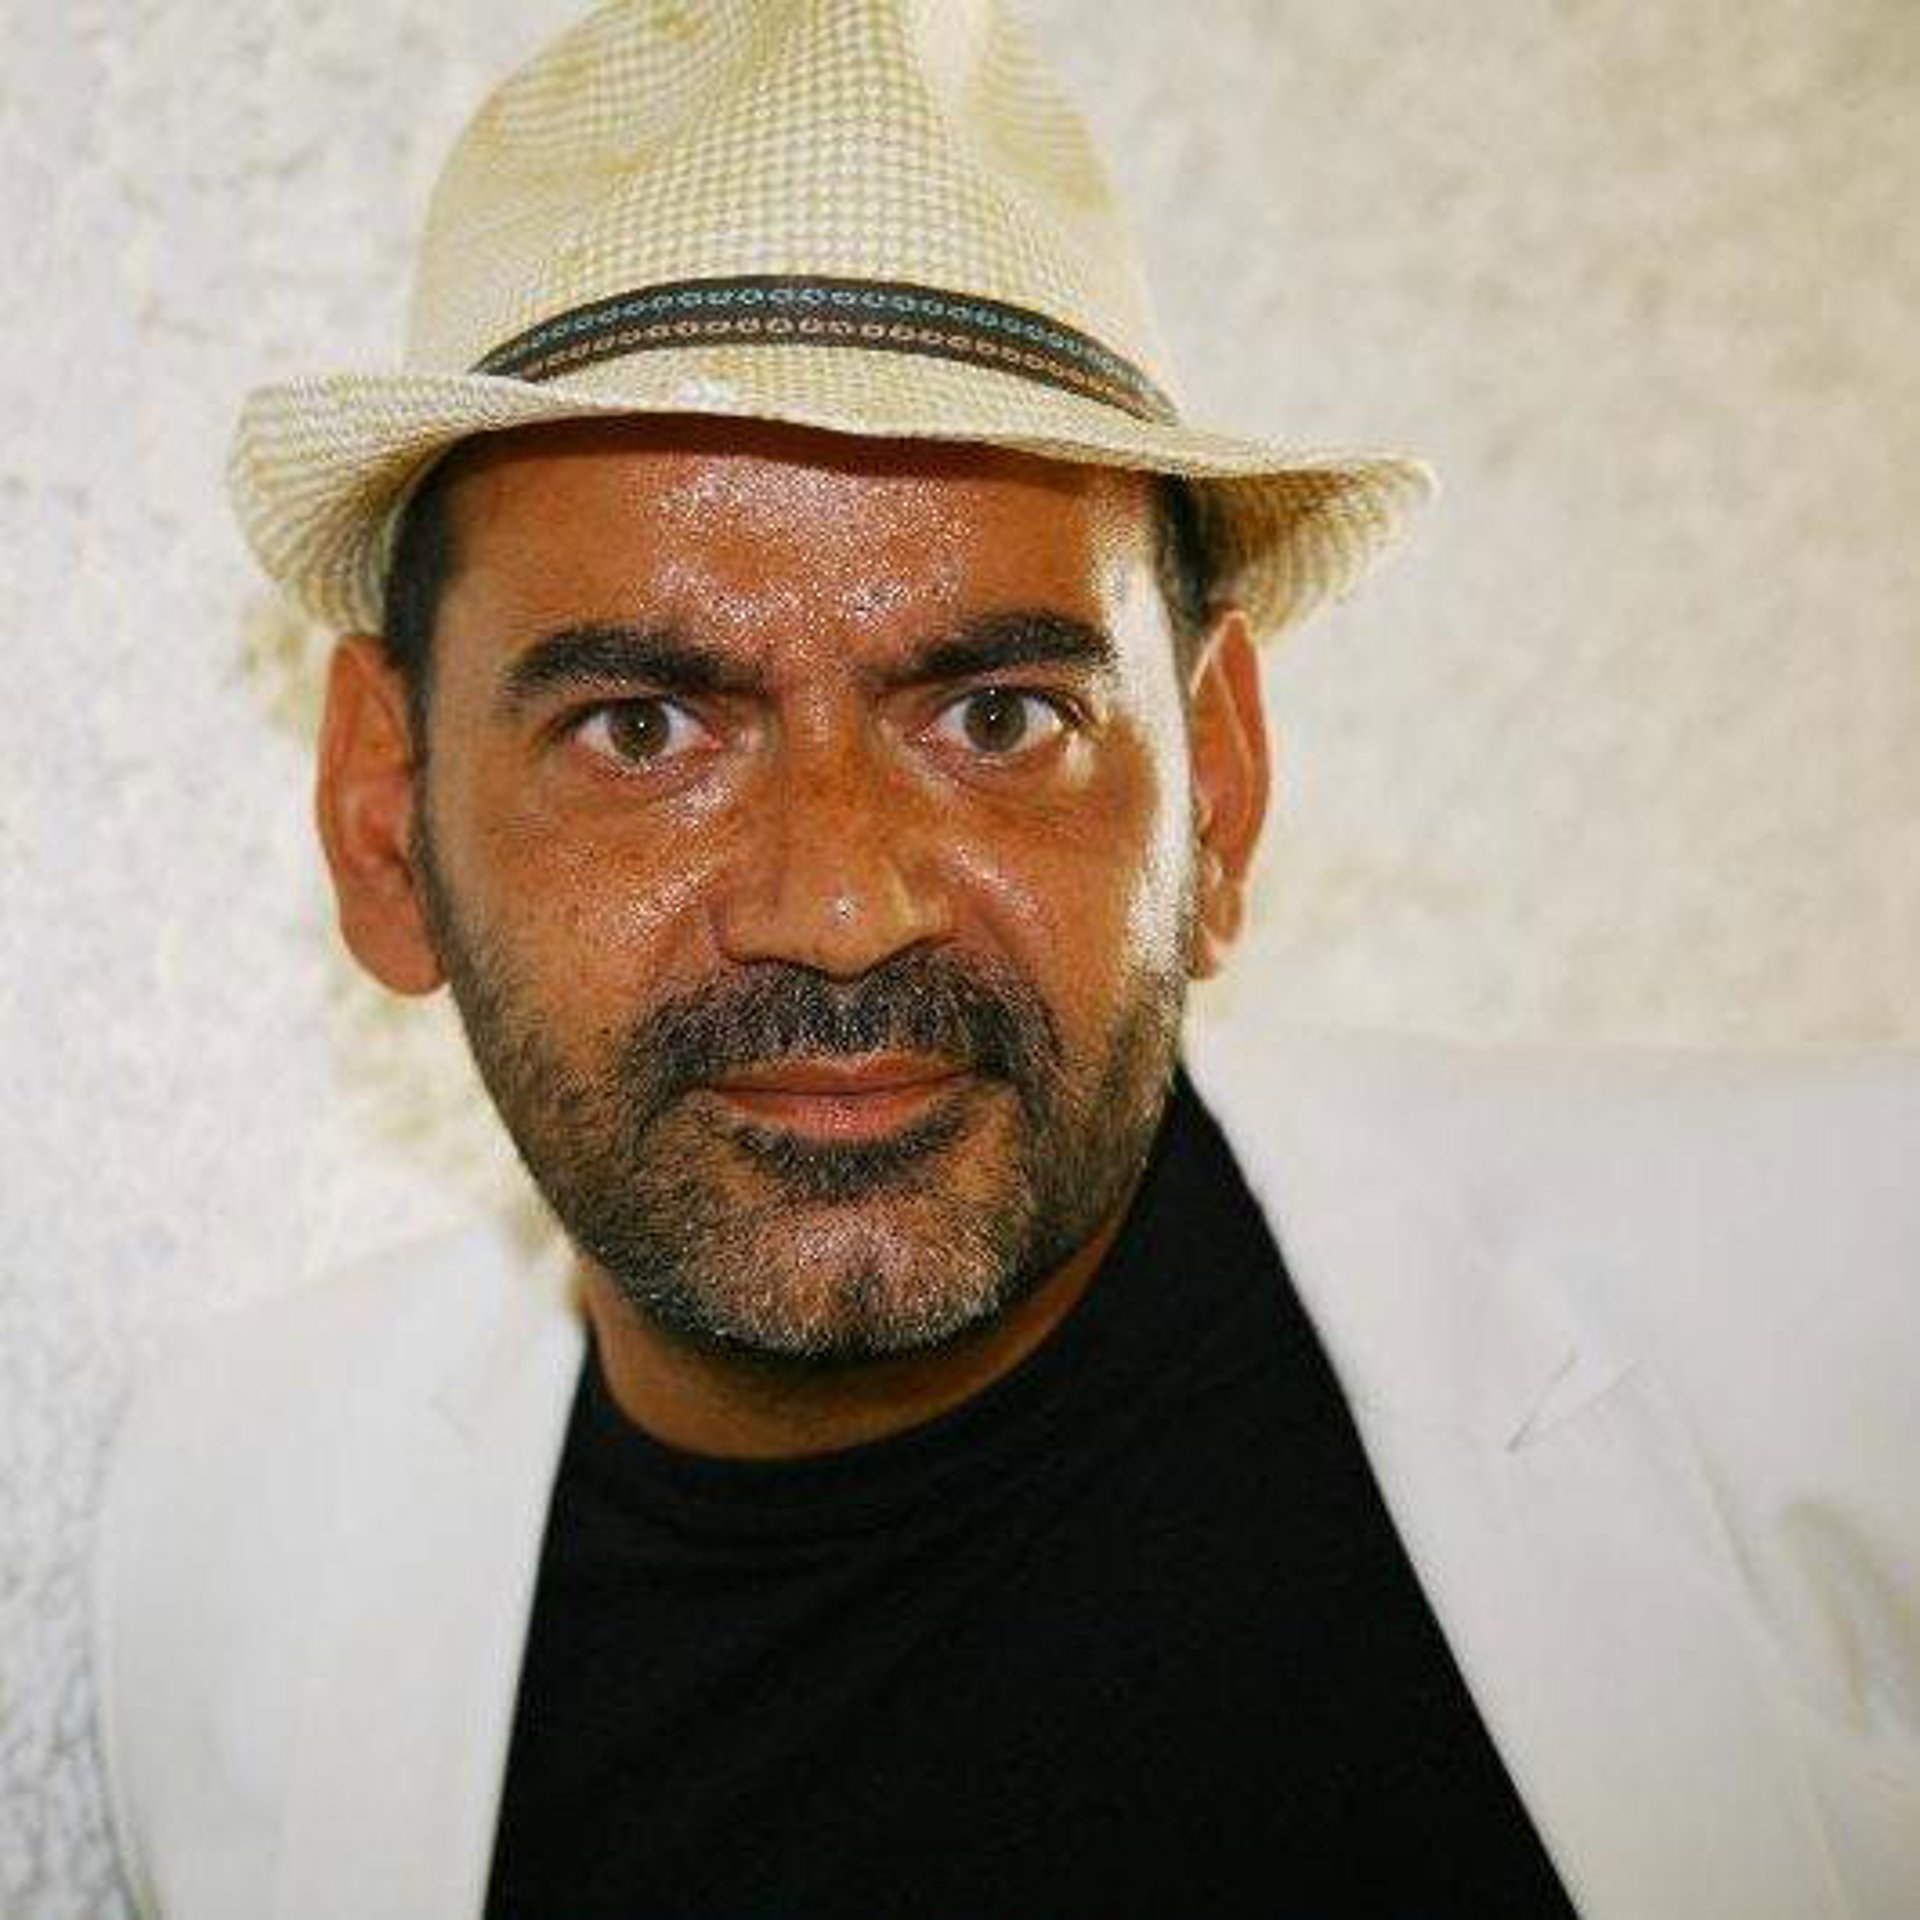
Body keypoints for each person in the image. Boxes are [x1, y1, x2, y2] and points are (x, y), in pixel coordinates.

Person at [94, 4, 1920, 1917]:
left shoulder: (1833, 1328)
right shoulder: (227, 1555)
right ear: (384, 820)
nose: (839, 904)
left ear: (1219, 785)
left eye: (998, 718)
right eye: (642, 728)